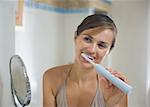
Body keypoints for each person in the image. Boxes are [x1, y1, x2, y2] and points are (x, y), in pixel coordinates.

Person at [43, 13, 128, 107]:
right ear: (75, 37)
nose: (91, 50)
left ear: (108, 51)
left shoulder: (117, 89)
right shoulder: (51, 77)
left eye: (101, 45)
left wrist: (111, 104)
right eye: (87, 39)